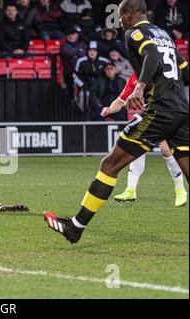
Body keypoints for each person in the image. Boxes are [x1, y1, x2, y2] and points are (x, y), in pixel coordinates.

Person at [43, 0, 189, 244]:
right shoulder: (163, 33)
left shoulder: (136, 32)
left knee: (109, 165)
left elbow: (151, 54)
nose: (119, 23)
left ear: (128, 15)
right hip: (181, 110)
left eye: (120, 18)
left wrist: (140, 88)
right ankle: (75, 227)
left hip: (159, 111)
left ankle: (75, 227)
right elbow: (184, 71)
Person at [102, 72, 187, 207]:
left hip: (167, 115)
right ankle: (130, 190)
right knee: (136, 148)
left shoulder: (162, 70)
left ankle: (180, 190)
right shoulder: (135, 76)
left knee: (166, 150)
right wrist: (110, 109)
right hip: (149, 116)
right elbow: (121, 99)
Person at [60, 27, 86, 97]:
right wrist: (79, 50)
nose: (71, 36)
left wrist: (76, 52)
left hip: (82, 72)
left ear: (77, 35)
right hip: (70, 72)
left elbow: (83, 56)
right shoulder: (64, 46)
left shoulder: (82, 44)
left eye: (73, 34)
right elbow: (69, 53)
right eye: (69, 34)